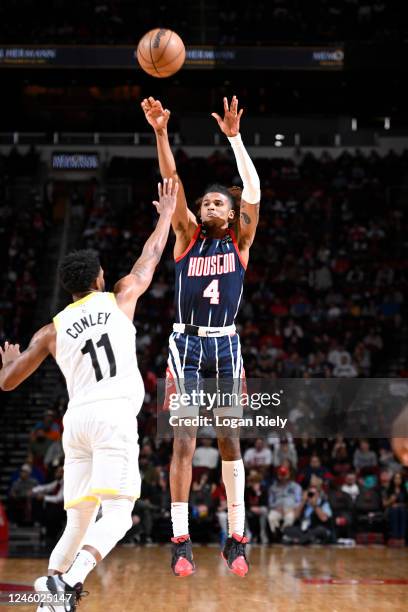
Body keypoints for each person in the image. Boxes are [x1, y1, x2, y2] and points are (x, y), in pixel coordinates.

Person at [0, 180, 178, 611]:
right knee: (119, 514)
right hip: (112, 417)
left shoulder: (51, 329)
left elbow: (7, 383)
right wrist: (166, 217)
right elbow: (148, 259)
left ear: (68, 289)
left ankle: (50, 601)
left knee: (78, 519)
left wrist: (9, 359)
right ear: (98, 279)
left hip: (75, 422)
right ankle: (70, 581)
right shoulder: (120, 297)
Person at [142, 94, 260, 577]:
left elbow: (252, 189)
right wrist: (160, 132)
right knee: (184, 440)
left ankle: (237, 537)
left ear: (231, 215)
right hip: (187, 346)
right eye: (204, 201)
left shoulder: (242, 240)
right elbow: (173, 182)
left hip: (226, 346)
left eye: (218, 202)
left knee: (230, 439)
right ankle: (180, 539)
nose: (208, 204)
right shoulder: (187, 236)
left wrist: (234, 138)